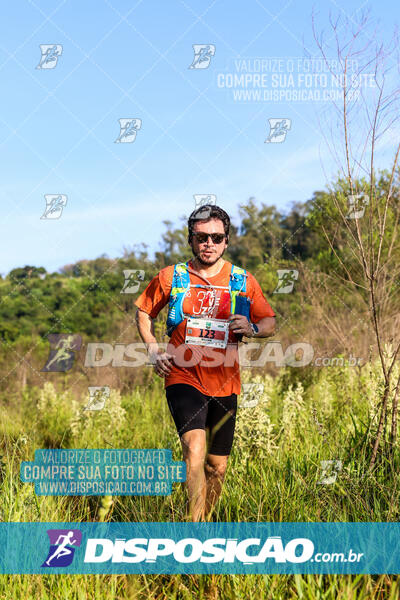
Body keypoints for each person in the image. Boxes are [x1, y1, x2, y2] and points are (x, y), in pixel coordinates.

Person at [135, 205, 276, 521]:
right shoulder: (172, 277)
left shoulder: (242, 280)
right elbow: (144, 312)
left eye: (216, 237)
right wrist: (154, 350)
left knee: (217, 465)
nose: (208, 243)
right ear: (191, 240)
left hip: (225, 382)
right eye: (201, 237)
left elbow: (268, 321)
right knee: (194, 452)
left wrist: (252, 329)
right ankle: (194, 530)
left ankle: (206, 521)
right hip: (182, 375)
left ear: (226, 241)